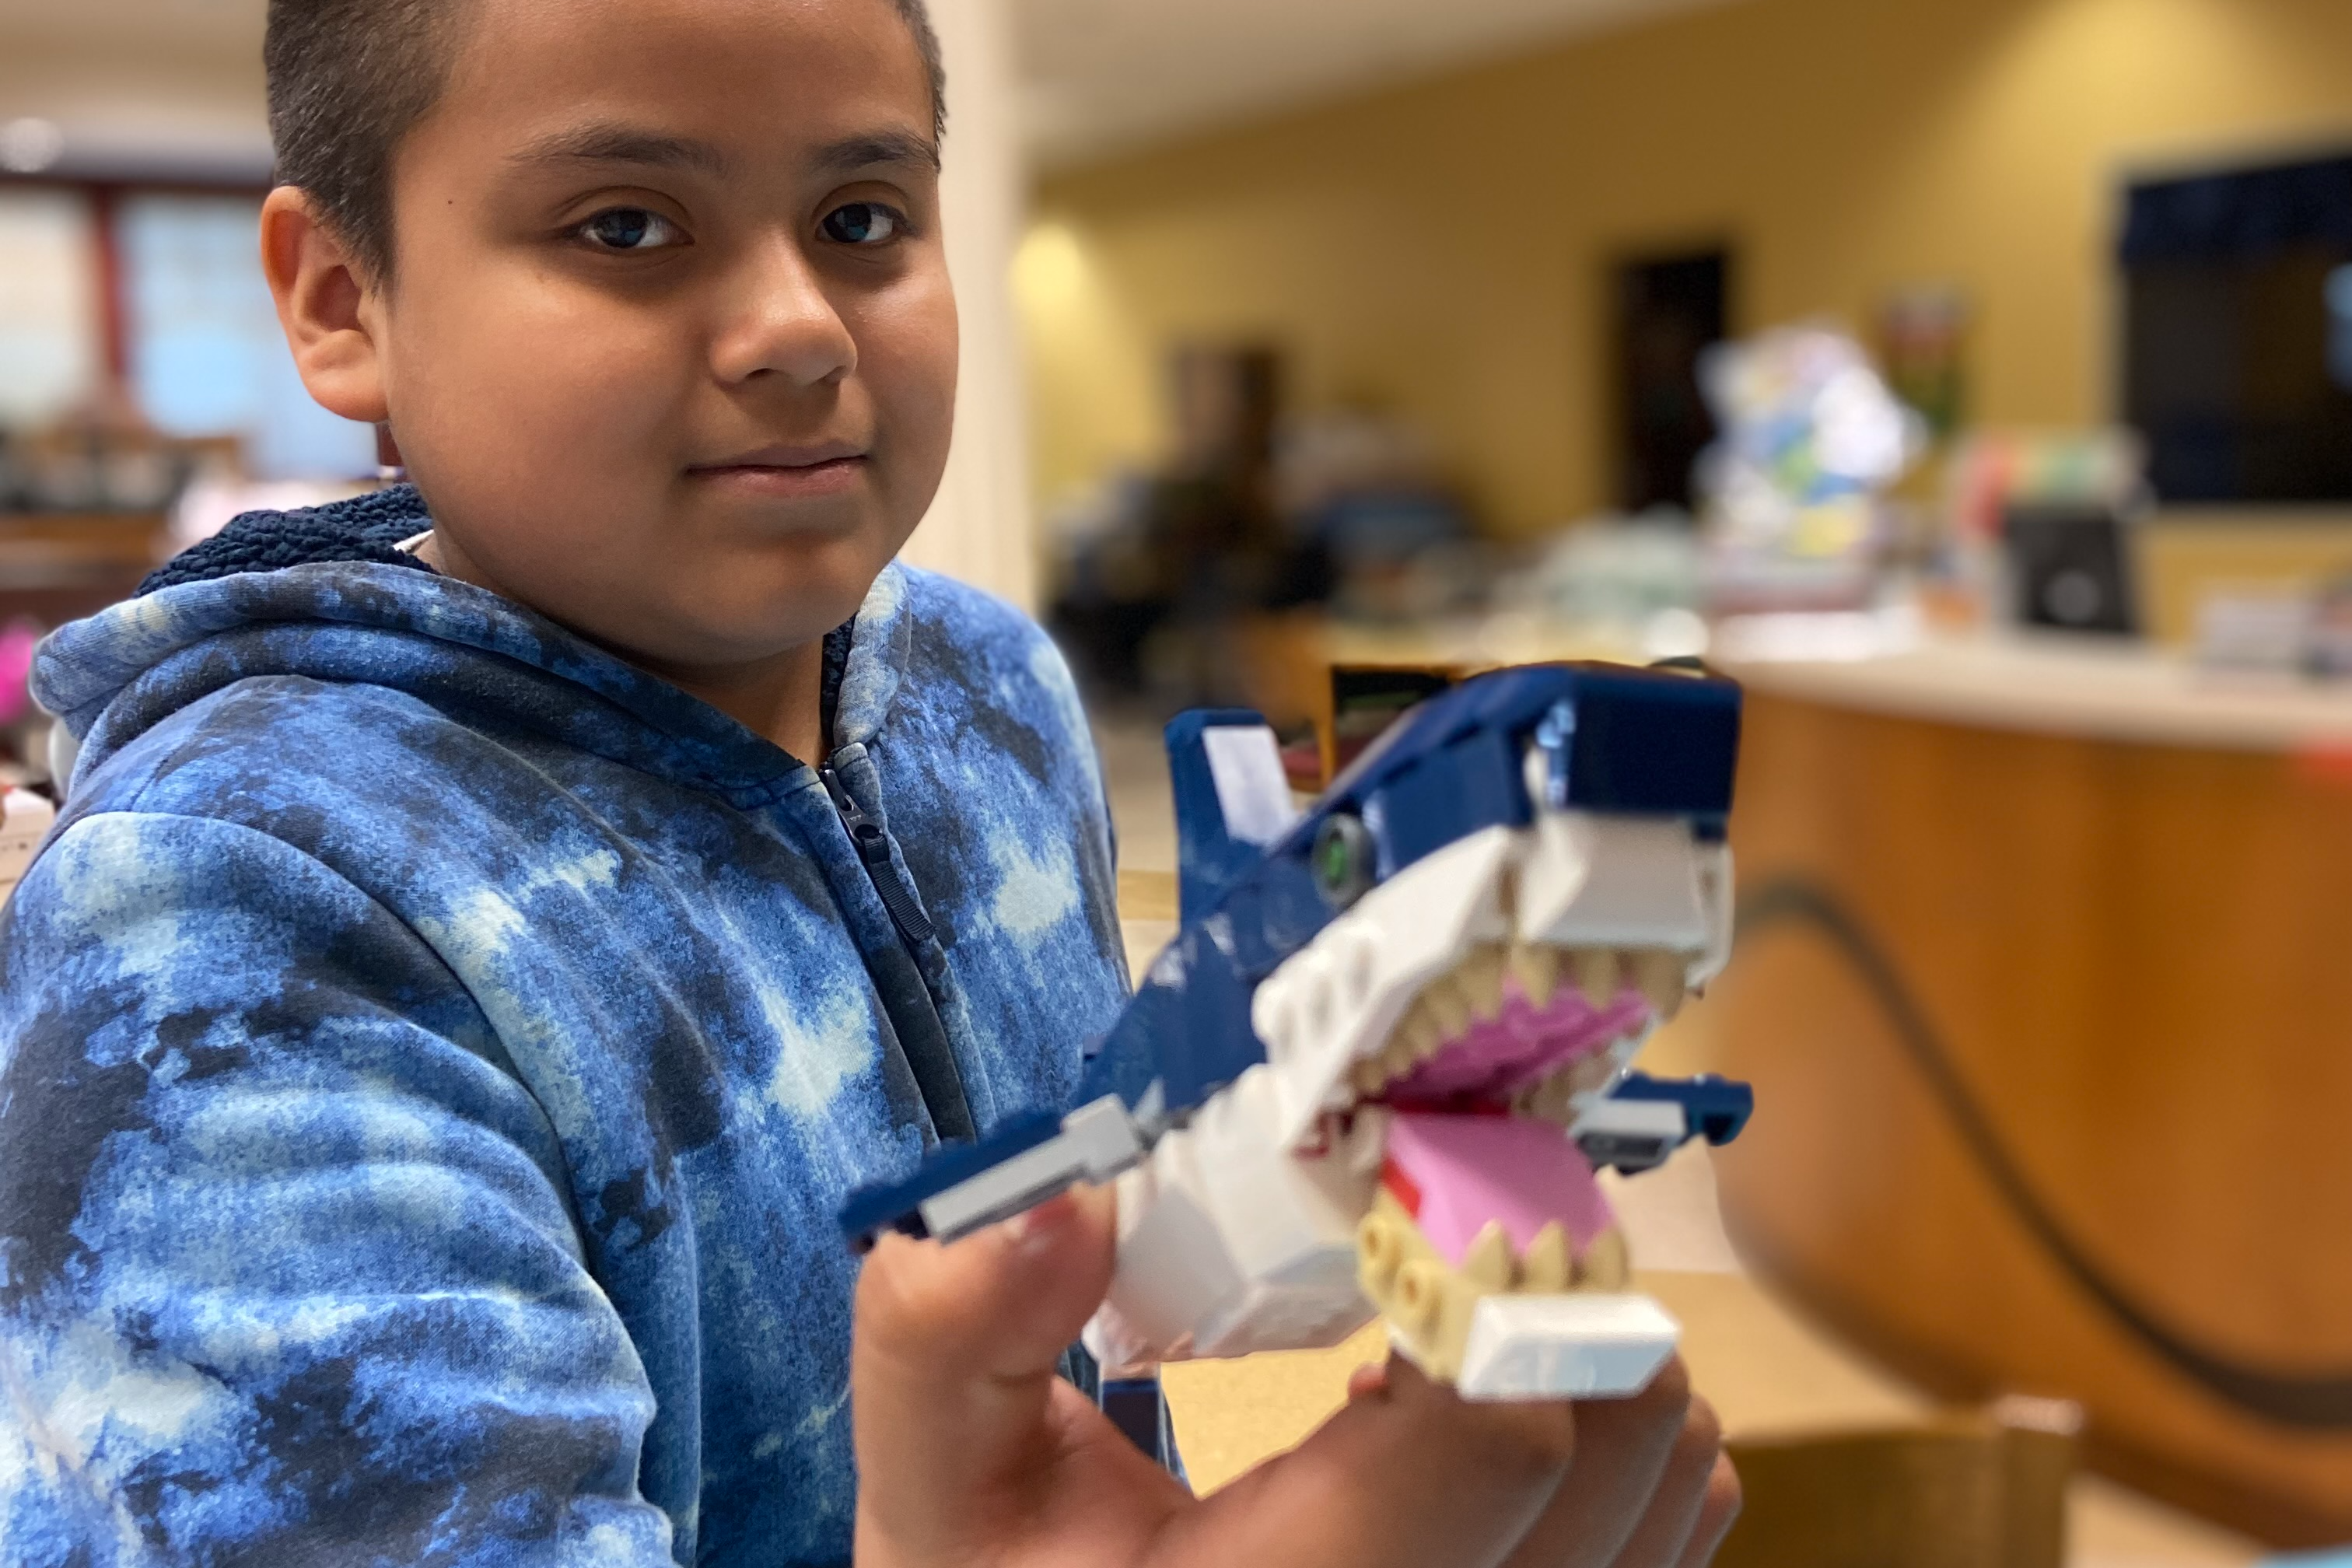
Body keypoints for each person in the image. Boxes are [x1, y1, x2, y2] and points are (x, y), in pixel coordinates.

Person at [0, 0, 1740, 1563]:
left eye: (861, 220)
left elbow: (1097, 1240)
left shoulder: (987, 685)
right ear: (340, 299)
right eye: (626, 226)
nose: (795, 328)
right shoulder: (223, 927)